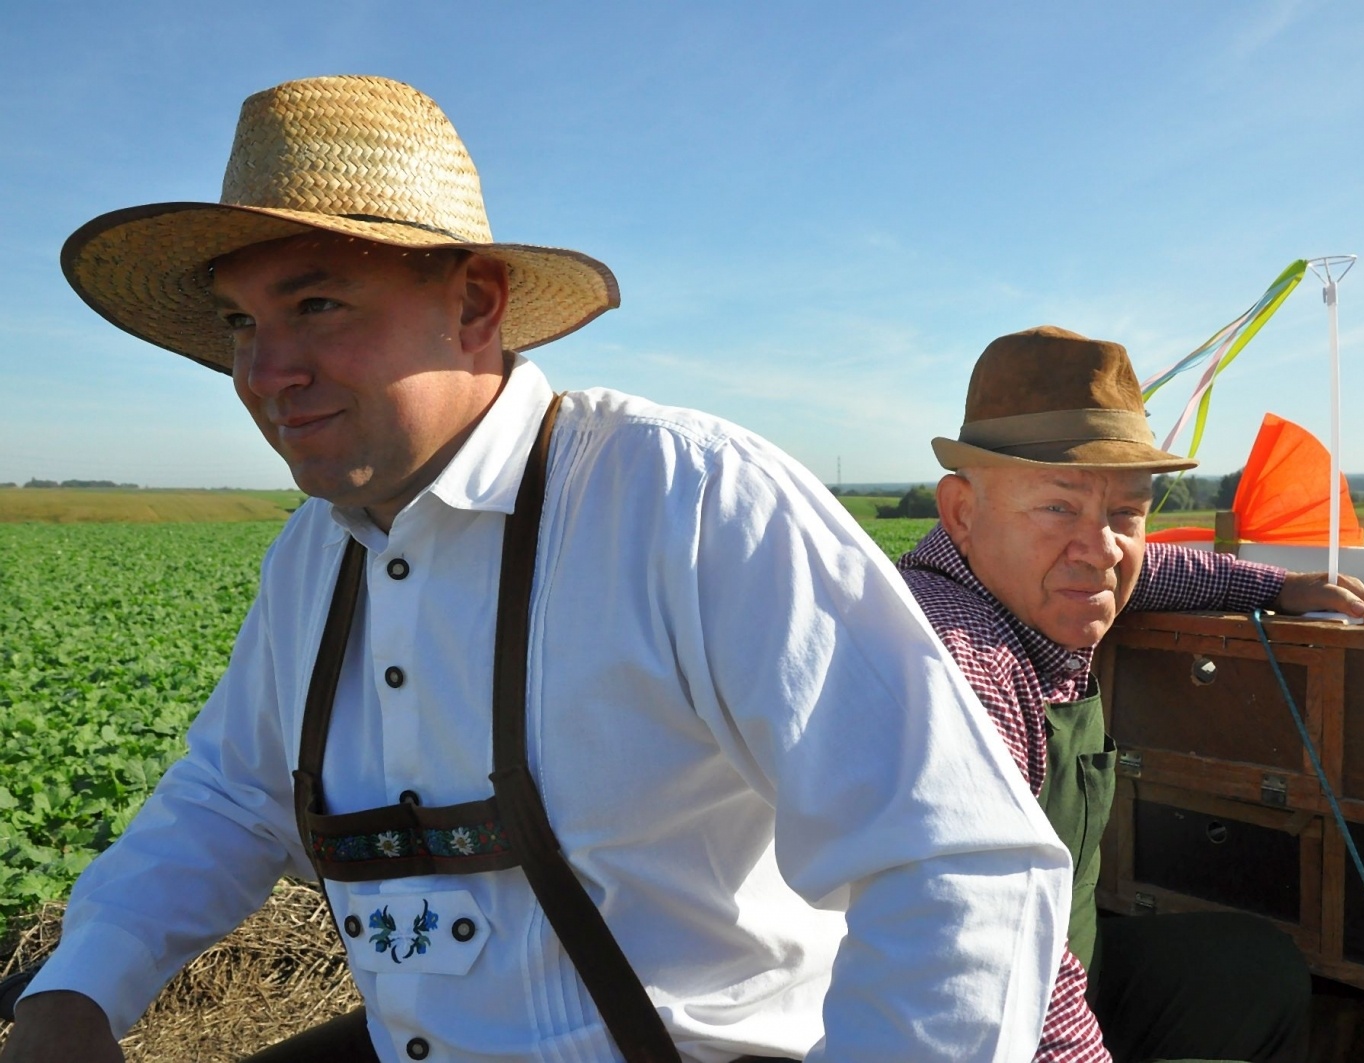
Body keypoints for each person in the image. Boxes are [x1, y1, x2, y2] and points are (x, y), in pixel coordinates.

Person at [2, 77, 1097, 1063]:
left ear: (475, 304)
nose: (265, 371)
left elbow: (961, 867)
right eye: (243, 323)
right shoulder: (312, 554)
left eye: (317, 304)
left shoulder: (685, 498)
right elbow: (231, 797)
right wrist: (80, 985)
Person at [898, 326, 1364, 1063]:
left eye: (1127, 511)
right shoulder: (961, 662)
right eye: (1060, 507)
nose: (1102, 547)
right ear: (963, 511)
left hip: (1071, 956)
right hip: (972, 1017)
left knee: (1259, 967)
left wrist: (1279, 587)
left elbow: (1151, 570)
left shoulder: (1036, 582)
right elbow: (1000, 953)